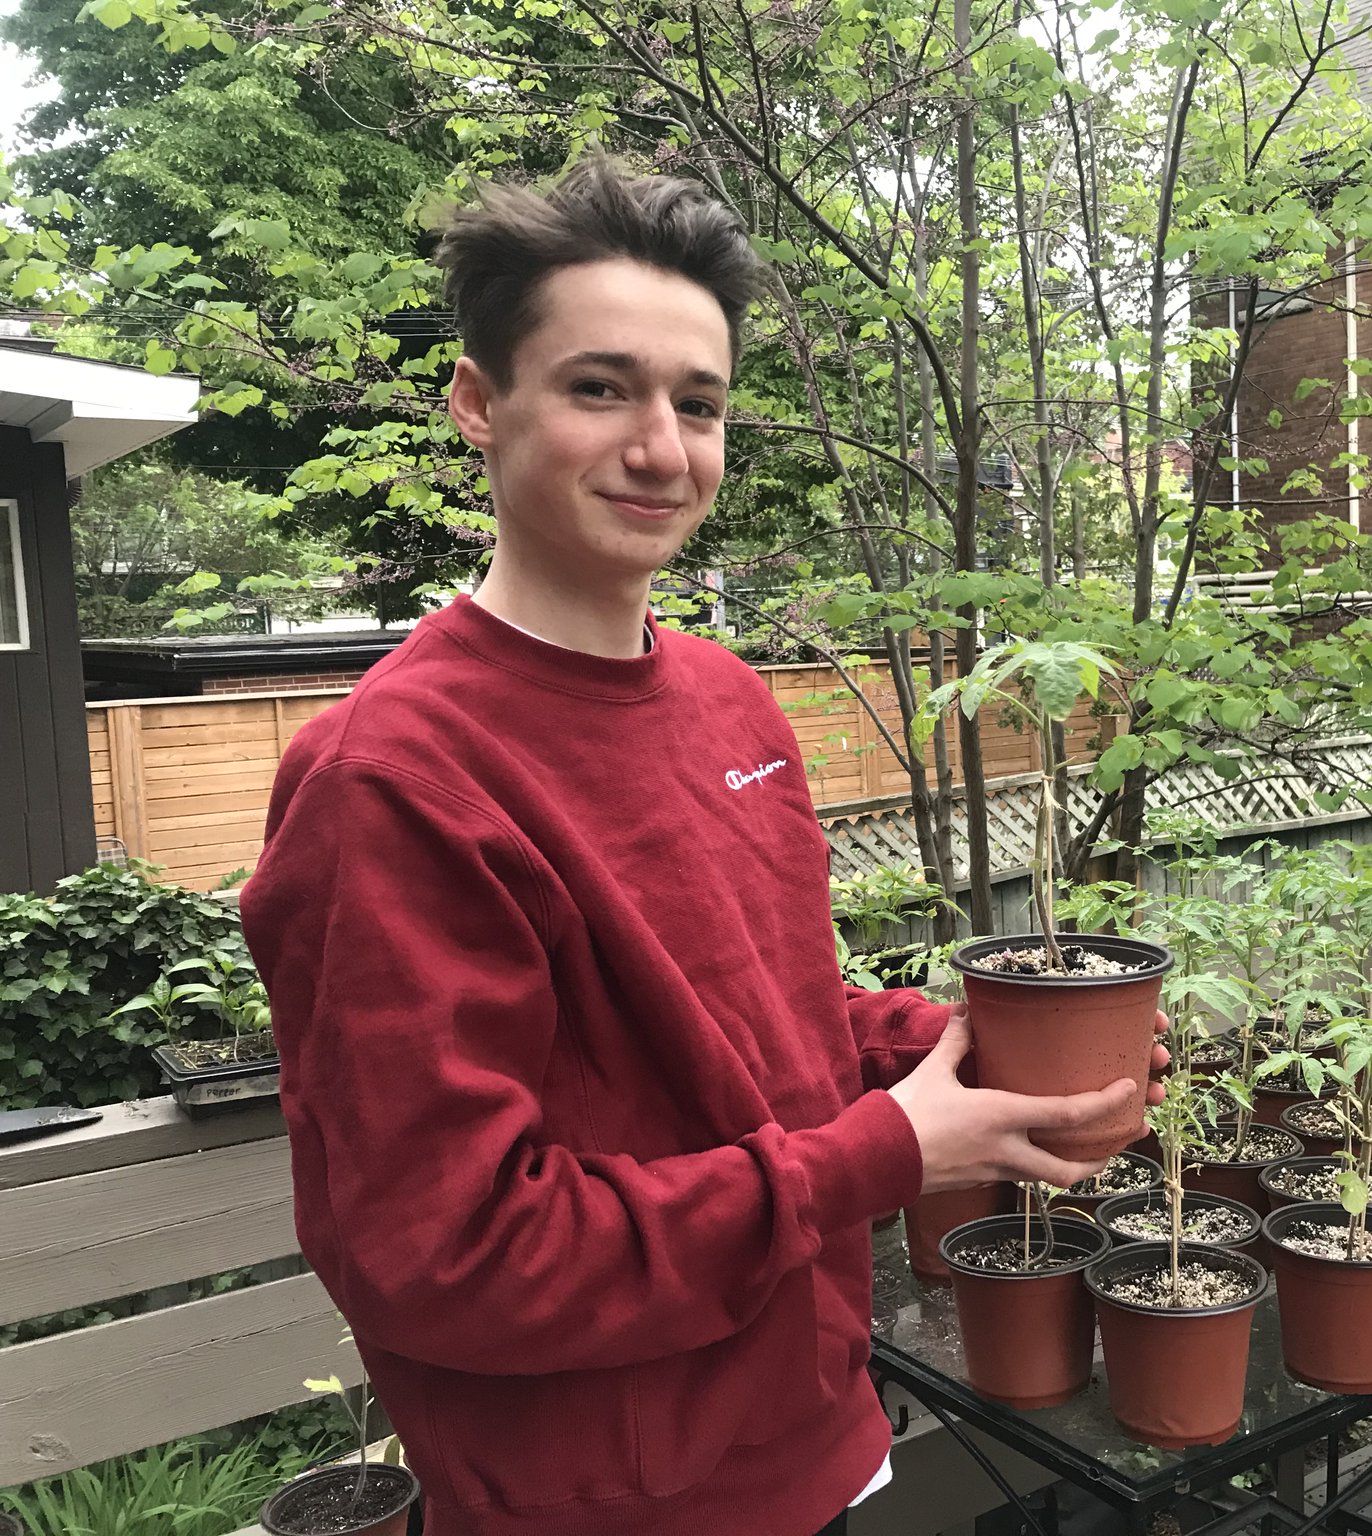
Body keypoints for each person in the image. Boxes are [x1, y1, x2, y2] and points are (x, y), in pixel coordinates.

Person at [239, 155, 1167, 1536]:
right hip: (605, 1502)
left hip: (816, 1431)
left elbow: (765, 1017)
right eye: (599, 388)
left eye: (699, 402)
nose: (663, 449)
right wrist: (881, 1156)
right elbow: (452, 1254)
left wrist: (970, 1050)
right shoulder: (394, 779)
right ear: (479, 403)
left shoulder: (732, 702)